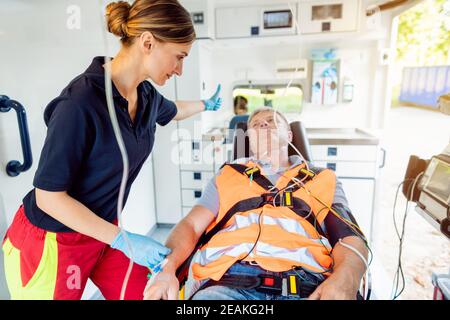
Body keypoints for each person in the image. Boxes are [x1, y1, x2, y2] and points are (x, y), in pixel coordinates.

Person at [1, 0, 221, 300]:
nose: (180, 70)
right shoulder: (79, 104)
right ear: (147, 42)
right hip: (53, 239)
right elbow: (48, 197)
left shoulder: (145, 95)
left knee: (150, 294)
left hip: (103, 231)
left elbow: (174, 110)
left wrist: (205, 105)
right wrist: (122, 240)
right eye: (178, 57)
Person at [144, 107, 368, 300]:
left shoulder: (322, 178)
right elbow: (191, 226)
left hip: (308, 284)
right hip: (227, 282)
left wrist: (347, 276)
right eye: (256, 124)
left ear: (289, 135)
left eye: (271, 121)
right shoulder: (227, 175)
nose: (263, 125)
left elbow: (349, 236)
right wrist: (168, 268)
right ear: (248, 138)